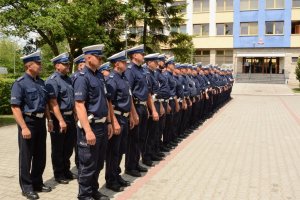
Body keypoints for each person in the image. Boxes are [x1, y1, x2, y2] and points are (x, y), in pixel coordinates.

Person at [11, 51, 52, 200]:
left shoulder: (41, 82)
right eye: (38, 63)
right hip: (28, 122)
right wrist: (24, 127)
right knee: (26, 156)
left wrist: (50, 120)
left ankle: (37, 183)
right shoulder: (20, 83)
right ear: (29, 65)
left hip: (41, 122)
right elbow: (15, 108)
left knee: (40, 156)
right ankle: (27, 188)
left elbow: (46, 104)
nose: (41, 66)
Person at [73, 44, 113, 200]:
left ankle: (93, 190)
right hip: (91, 126)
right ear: (88, 58)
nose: (101, 59)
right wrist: (88, 130)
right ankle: (84, 195)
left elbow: (104, 101)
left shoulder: (99, 76)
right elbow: (79, 105)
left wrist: (109, 122)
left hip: (102, 125)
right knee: (88, 164)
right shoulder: (82, 77)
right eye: (98, 57)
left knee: (98, 163)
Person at [124, 44, 159, 177]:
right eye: (141, 54)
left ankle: (136, 163)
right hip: (136, 107)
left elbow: (148, 92)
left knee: (141, 138)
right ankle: (129, 166)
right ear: (134, 55)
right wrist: (133, 114)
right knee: (133, 139)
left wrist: (152, 110)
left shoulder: (142, 71)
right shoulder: (130, 70)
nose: (143, 56)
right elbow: (129, 93)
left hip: (143, 106)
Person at [45, 52, 77, 185]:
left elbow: (73, 99)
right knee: (58, 148)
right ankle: (58, 173)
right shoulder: (52, 80)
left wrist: (75, 114)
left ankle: (66, 169)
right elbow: (53, 103)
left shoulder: (68, 79)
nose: (68, 66)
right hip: (60, 118)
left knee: (69, 147)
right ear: (57, 65)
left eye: (68, 64)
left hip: (70, 117)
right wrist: (61, 120)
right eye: (65, 64)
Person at [105, 50, 132, 192]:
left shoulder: (123, 78)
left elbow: (128, 98)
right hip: (117, 117)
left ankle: (116, 175)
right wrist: (114, 121)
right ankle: (110, 180)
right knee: (113, 152)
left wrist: (131, 116)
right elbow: (110, 103)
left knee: (121, 150)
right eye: (124, 62)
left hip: (125, 117)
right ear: (117, 64)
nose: (126, 64)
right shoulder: (112, 79)